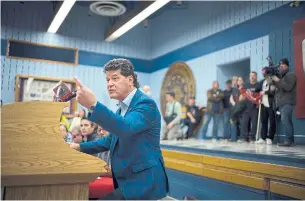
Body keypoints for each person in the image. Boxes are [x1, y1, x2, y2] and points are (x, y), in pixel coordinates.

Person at [69, 58, 168, 200]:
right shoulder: (121, 109)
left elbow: (126, 128)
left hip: (145, 183)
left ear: (130, 80)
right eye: (107, 80)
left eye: (115, 78)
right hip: (128, 181)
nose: (109, 84)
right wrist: (78, 147)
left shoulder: (146, 104)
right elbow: (109, 140)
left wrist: (93, 105)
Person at [272, 58, 297, 147]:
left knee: (286, 120)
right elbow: (277, 89)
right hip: (281, 102)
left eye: (283, 66)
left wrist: (278, 81)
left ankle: (289, 140)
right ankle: (289, 140)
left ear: (287, 66)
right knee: (285, 120)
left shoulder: (291, 75)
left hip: (288, 101)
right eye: (280, 66)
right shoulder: (281, 78)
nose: (281, 68)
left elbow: (288, 87)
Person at [256, 68, 276, 145]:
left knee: (272, 121)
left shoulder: (272, 81)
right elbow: (257, 90)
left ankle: (270, 137)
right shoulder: (262, 81)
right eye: (262, 72)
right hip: (263, 103)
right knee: (263, 121)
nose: (263, 74)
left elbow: (272, 91)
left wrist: (265, 92)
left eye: (264, 72)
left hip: (270, 103)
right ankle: (263, 137)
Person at [240, 72, 261, 143]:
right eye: (251, 76)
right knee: (244, 123)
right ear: (249, 77)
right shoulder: (246, 85)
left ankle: (252, 138)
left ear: (256, 77)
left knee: (254, 123)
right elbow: (242, 94)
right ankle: (245, 138)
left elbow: (261, 94)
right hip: (246, 107)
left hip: (255, 107)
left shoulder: (259, 85)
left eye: (254, 76)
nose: (252, 77)